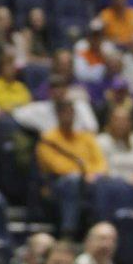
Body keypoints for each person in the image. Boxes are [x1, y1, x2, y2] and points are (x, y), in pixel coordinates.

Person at [36, 99, 107, 237]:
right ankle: (68, 231)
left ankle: (100, 229)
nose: (68, 116)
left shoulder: (85, 137)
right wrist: (84, 173)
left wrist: (93, 175)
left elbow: (101, 163)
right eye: (65, 113)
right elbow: (57, 166)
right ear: (58, 115)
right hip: (56, 183)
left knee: (106, 184)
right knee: (72, 180)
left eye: (71, 113)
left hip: (88, 180)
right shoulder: (48, 138)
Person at [97, 105, 133, 185]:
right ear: (110, 122)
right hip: (113, 184)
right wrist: (127, 179)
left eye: (125, 120)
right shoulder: (101, 141)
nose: (121, 124)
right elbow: (103, 170)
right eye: (117, 120)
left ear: (131, 123)